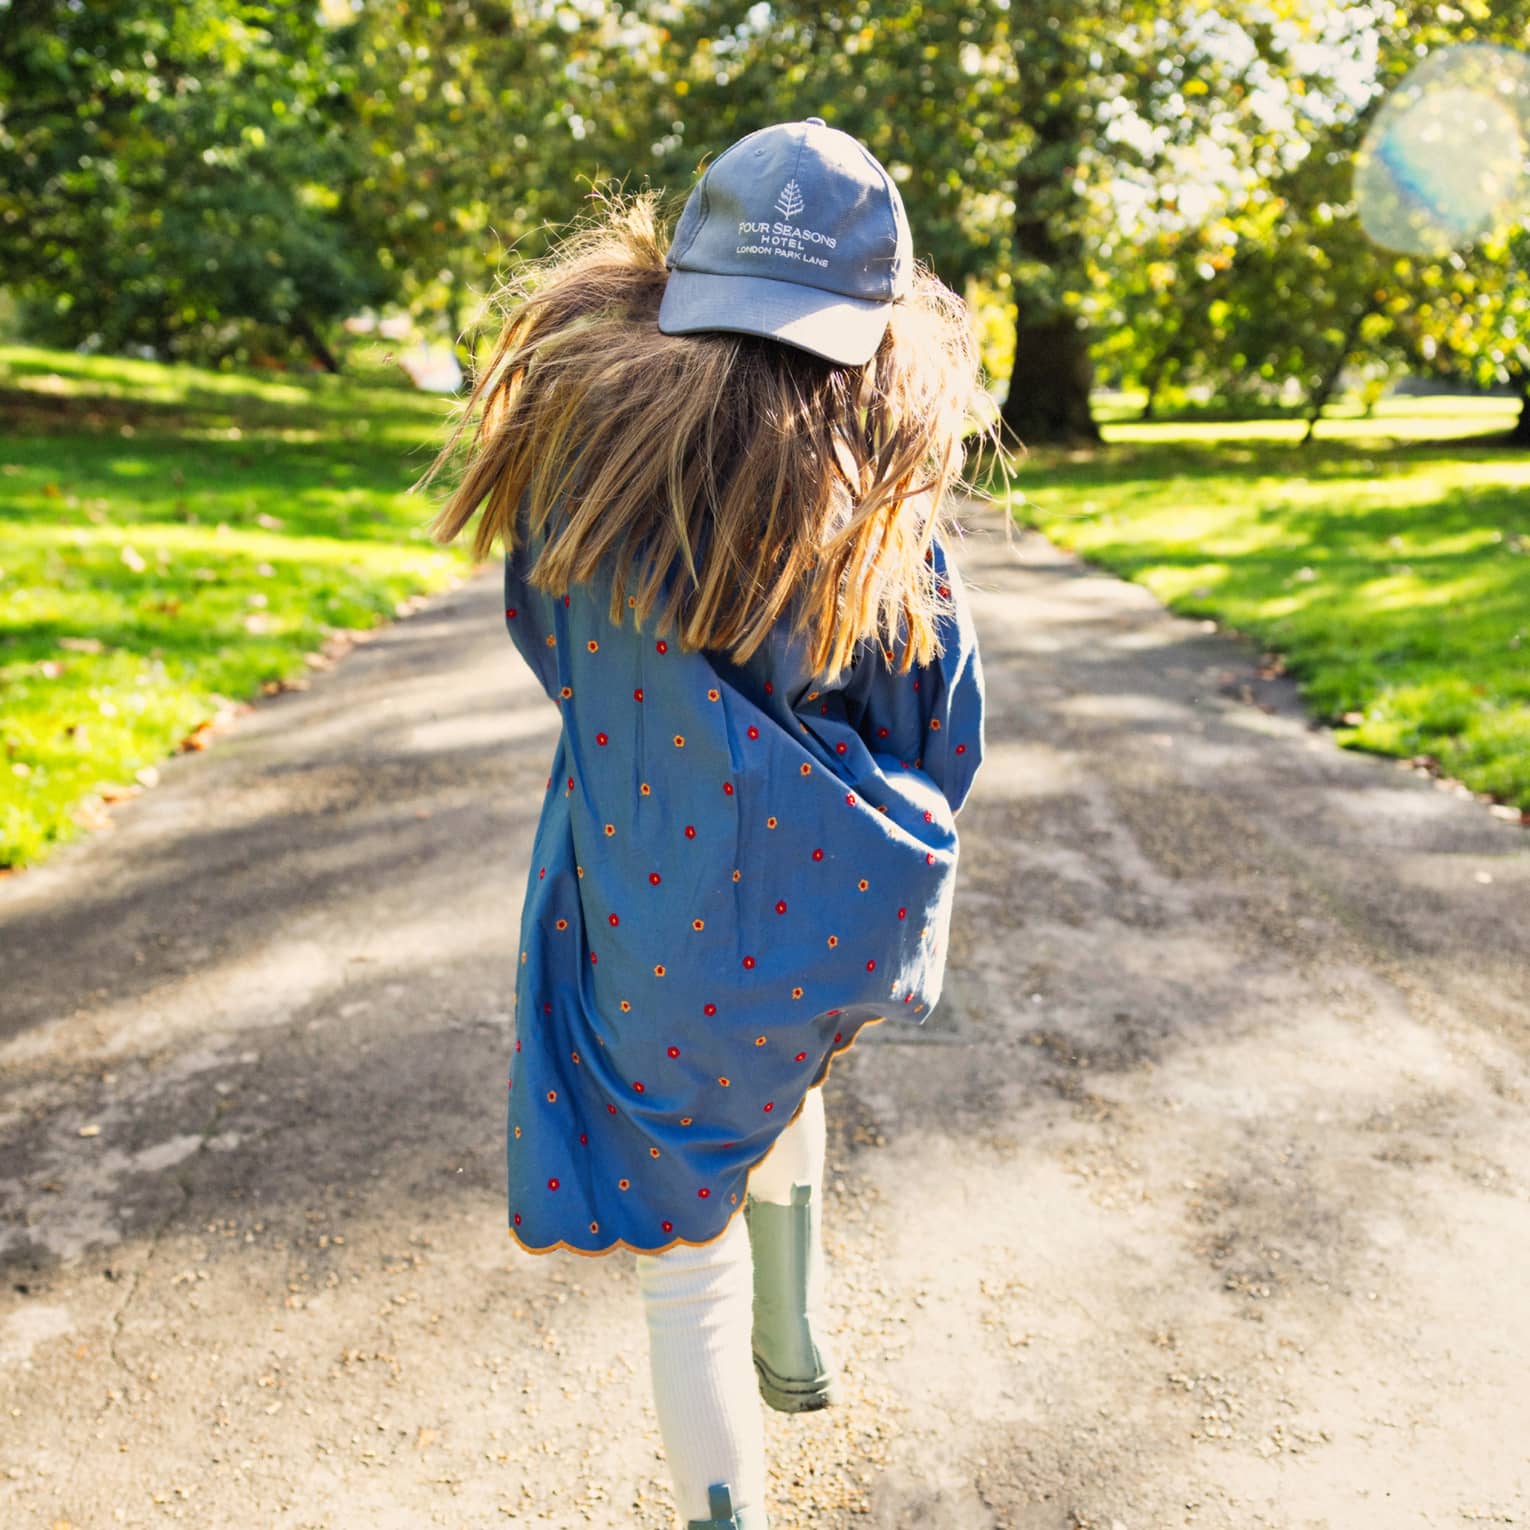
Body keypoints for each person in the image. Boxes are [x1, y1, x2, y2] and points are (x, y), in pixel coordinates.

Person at [414, 116, 996, 1530]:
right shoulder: (873, 497)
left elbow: (548, 645)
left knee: (686, 1262)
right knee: (787, 1064)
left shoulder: (576, 471)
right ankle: (797, 1341)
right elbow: (943, 722)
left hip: (644, 915)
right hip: (813, 913)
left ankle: (725, 1508)